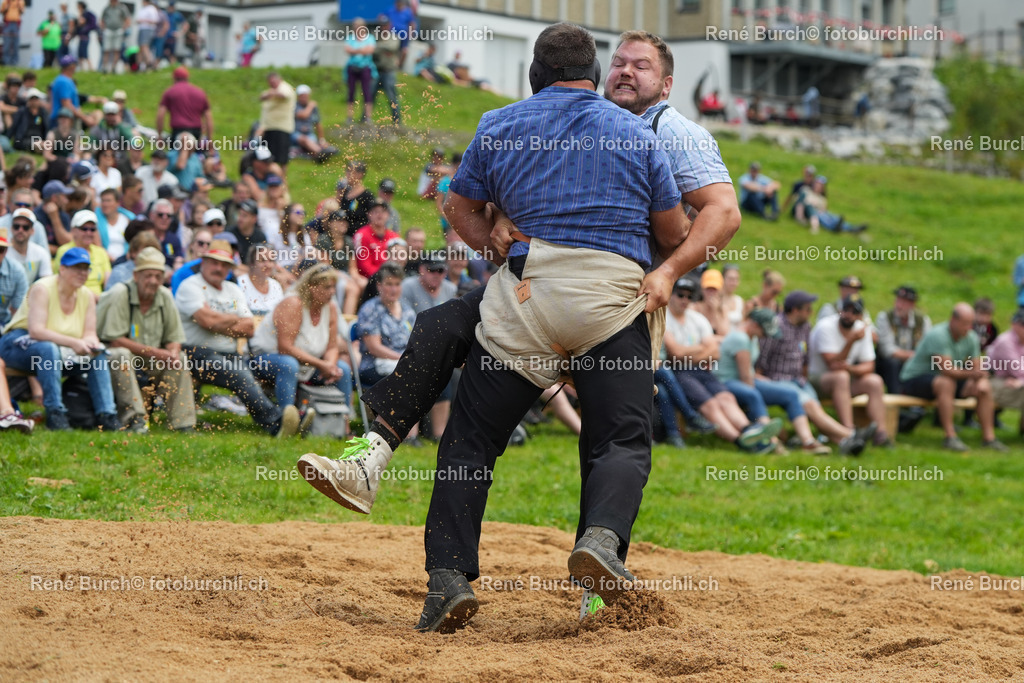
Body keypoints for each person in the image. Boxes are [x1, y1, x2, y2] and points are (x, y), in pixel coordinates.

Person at [299, 27, 742, 524]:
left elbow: (723, 214)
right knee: (440, 327)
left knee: (607, 442)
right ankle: (371, 456)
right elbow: (499, 193)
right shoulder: (574, 117)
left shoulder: (671, 131)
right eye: (619, 62)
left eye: (641, 66)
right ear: (598, 72)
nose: (625, 71)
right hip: (536, 285)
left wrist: (669, 272)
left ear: (665, 86)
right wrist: (496, 220)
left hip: (623, 296)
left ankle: (593, 589)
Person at [174, 239, 301, 437]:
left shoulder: (232, 289)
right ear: (204, 263)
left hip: (232, 353)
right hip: (196, 353)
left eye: (224, 264)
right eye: (214, 263)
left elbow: (249, 328)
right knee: (240, 375)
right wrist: (233, 319)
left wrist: (217, 321)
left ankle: (286, 419)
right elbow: (206, 320)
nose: (219, 268)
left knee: (246, 373)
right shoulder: (190, 286)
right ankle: (278, 423)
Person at [0, 247, 120, 431]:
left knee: (98, 355)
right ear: (62, 269)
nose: (82, 273)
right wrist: (74, 343)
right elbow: (36, 331)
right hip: (16, 344)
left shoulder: (87, 295)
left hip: (58, 349)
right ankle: (56, 414)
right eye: (76, 267)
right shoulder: (43, 288)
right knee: (48, 349)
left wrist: (91, 344)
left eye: (85, 268)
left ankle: (107, 415)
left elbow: (90, 333)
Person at [757, 290, 877, 454]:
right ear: (795, 310)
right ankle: (852, 434)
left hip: (799, 380)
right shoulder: (776, 326)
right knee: (811, 406)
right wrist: (762, 381)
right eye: (807, 309)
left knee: (815, 408)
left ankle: (845, 442)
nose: (811, 312)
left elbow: (804, 358)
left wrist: (804, 380)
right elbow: (761, 359)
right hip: (777, 380)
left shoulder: (805, 326)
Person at [659, 276, 771, 451]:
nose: (685, 300)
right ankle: (741, 442)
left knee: (727, 398)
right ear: (671, 295)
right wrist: (701, 348)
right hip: (678, 372)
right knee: (710, 405)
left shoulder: (696, 318)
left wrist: (690, 352)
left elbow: (715, 352)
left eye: (690, 296)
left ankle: (749, 430)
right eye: (680, 295)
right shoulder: (663, 317)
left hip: (701, 369)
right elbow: (676, 353)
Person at [96, 246, 196, 432]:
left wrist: (172, 353)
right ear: (136, 276)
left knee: (180, 359)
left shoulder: (164, 295)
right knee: (120, 355)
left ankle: (184, 424)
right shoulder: (121, 293)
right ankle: (135, 420)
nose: (153, 281)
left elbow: (174, 337)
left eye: (158, 276)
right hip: (117, 359)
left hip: (150, 359)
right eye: (148, 275)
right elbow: (115, 340)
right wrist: (158, 353)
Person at [899, 303, 1007, 452]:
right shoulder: (938, 335)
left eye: (971, 324)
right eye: (965, 324)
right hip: (915, 380)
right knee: (946, 383)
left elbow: (976, 367)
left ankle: (989, 438)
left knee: (983, 388)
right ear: (953, 320)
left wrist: (978, 380)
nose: (968, 328)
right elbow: (947, 370)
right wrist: (972, 375)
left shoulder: (971, 337)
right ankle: (950, 437)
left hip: (947, 380)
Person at [250, 263, 351, 419]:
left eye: (333, 287)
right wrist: (321, 364)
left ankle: (343, 424)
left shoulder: (330, 308)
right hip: (266, 358)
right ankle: (286, 419)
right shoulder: (293, 303)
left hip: (307, 363)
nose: (332, 292)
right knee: (288, 365)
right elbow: (285, 348)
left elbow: (332, 347)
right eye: (327, 287)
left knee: (342, 368)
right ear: (311, 287)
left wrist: (330, 365)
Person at [808, 294, 892, 446]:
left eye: (854, 312)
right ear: (839, 310)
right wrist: (851, 341)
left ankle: (880, 434)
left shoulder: (862, 329)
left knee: (875, 381)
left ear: (860, 316)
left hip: (844, 379)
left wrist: (851, 368)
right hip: (816, 380)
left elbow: (869, 366)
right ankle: (850, 433)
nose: (848, 315)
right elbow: (833, 365)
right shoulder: (825, 327)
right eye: (845, 310)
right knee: (841, 377)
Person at [874, 285, 931, 393]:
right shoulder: (885, 317)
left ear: (912, 305)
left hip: (914, 362)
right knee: (893, 363)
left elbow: (927, 347)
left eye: (904, 302)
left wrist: (916, 358)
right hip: (888, 364)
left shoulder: (923, 320)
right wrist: (913, 356)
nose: (899, 305)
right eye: (898, 300)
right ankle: (896, 400)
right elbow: (887, 350)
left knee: (930, 364)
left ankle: (917, 403)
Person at [52, 210, 110, 297]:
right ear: (73, 230)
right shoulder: (64, 251)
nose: (88, 233)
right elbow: (60, 281)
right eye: (84, 229)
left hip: (100, 301)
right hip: (73, 297)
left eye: (92, 229)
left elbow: (108, 282)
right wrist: (93, 297)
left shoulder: (101, 252)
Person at [986, 308, 1024, 426]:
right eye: (1023, 324)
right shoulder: (1005, 342)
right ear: (1014, 325)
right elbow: (1017, 370)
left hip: (1013, 382)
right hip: (994, 382)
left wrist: (1021, 381)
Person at [794, 175, 866, 234]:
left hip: (820, 212)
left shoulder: (822, 199)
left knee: (831, 216)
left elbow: (824, 209)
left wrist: (822, 210)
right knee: (821, 216)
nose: (818, 187)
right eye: (817, 184)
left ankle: (851, 228)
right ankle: (833, 227)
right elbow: (801, 203)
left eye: (820, 186)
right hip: (811, 213)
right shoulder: (807, 191)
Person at [156, 66, 212, 141]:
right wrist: (210, 140)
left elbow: (161, 115)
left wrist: (159, 135)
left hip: (178, 131)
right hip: (196, 132)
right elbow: (208, 118)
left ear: (174, 78)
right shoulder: (200, 92)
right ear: (187, 78)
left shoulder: (170, 92)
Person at [256, 71, 296, 174]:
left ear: (279, 79)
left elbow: (284, 95)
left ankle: (282, 182)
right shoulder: (271, 90)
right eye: (270, 82)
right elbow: (261, 97)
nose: (272, 84)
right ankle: (271, 179)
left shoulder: (285, 87)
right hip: (269, 128)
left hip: (281, 128)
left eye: (273, 81)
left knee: (282, 159)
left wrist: (271, 93)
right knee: (267, 157)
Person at [353, 200, 400, 279]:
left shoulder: (394, 236)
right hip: (368, 278)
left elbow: (400, 260)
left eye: (383, 211)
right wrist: (383, 277)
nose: (380, 215)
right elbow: (363, 265)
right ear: (369, 214)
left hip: (391, 278)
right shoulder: (361, 235)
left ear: (388, 215)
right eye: (375, 211)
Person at [236, 243, 283, 318]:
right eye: (262, 260)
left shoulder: (276, 285)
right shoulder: (240, 283)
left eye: (270, 261)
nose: (267, 265)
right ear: (251, 263)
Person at [6, 208, 51, 284]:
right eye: (16, 226)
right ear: (11, 228)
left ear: (32, 231)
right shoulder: (2, 251)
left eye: (25, 227)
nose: (20, 230)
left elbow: (47, 281)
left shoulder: (41, 253)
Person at [344, 18, 376, 125]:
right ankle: (349, 117)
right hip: (352, 67)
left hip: (365, 67)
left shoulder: (369, 38)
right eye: (355, 26)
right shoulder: (351, 38)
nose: (356, 28)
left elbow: (370, 50)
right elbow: (347, 50)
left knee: (366, 92)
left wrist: (355, 50)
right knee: (351, 92)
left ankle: (368, 117)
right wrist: (362, 50)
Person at [373, 14, 401, 125]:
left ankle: (397, 121)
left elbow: (392, 47)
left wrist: (378, 47)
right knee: (370, 96)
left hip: (388, 72)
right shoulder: (376, 36)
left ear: (389, 25)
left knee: (392, 98)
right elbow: (371, 49)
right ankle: (365, 119)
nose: (383, 27)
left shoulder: (393, 37)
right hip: (376, 71)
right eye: (382, 25)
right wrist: (382, 47)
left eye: (385, 25)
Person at [292, 84, 330, 162]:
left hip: (309, 134)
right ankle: (320, 153)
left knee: (314, 141)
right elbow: (303, 115)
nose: (304, 98)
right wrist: (310, 106)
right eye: (302, 96)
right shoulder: (294, 106)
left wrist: (321, 139)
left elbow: (318, 123)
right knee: (305, 140)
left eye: (305, 96)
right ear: (298, 96)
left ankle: (320, 152)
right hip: (295, 134)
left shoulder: (313, 108)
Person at [0, 226, 27, 328]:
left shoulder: (17, 271)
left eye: (0, 250)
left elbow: (19, 310)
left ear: (6, 251)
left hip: (4, 323)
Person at [96, 188, 132, 261]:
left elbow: (132, 242)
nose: (105, 204)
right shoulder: (95, 220)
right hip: (104, 260)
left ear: (117, 203)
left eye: (108, 201)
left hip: (126, 260)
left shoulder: (127, 219)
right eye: (103, 201)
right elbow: (97, 245)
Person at [9, 87, 47, 151]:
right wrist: (9, 138)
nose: (34, 101)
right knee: (41, 145)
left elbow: (46, 127)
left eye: (36, 99)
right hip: (24, 139)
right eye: (32, 99)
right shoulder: (22, 112)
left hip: (39, 139)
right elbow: (14, 126)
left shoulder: (43, 113)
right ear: (28, 100)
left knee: (47, 145)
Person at [98, 0, 130, 74]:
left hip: (118, 30)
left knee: (116, 49)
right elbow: (102, 19)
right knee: (106, 49)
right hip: (108, 30)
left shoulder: (122, 8)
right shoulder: (107, 8)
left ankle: (113, 68)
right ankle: (105, 68)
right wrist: (103, 28)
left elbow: (127, 19)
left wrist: (123, 29)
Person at [73, 1, 97, 71]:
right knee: (80, 54)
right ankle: (82, 69)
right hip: (82, 37)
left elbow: (81, 22)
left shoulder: (85, 14)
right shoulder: (82, 14)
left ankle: (91, 68)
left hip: (85, 38)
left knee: (85, 54)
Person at [1, 0, 25, 67]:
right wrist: (7, 7)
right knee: (7, 44)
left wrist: (19, 7)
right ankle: (6, 61)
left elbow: (22, 12)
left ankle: (14, 62)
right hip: (7, 24)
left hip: (16, 24)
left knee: (16, 44)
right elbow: (2, 12)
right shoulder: (5, 2)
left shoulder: (20, 2)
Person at [721, 264, 744, 331]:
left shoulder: (740, 301)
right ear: (722, 278)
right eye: (730, 279)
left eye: (736, 279)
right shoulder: (716, 300)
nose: (733, 283)